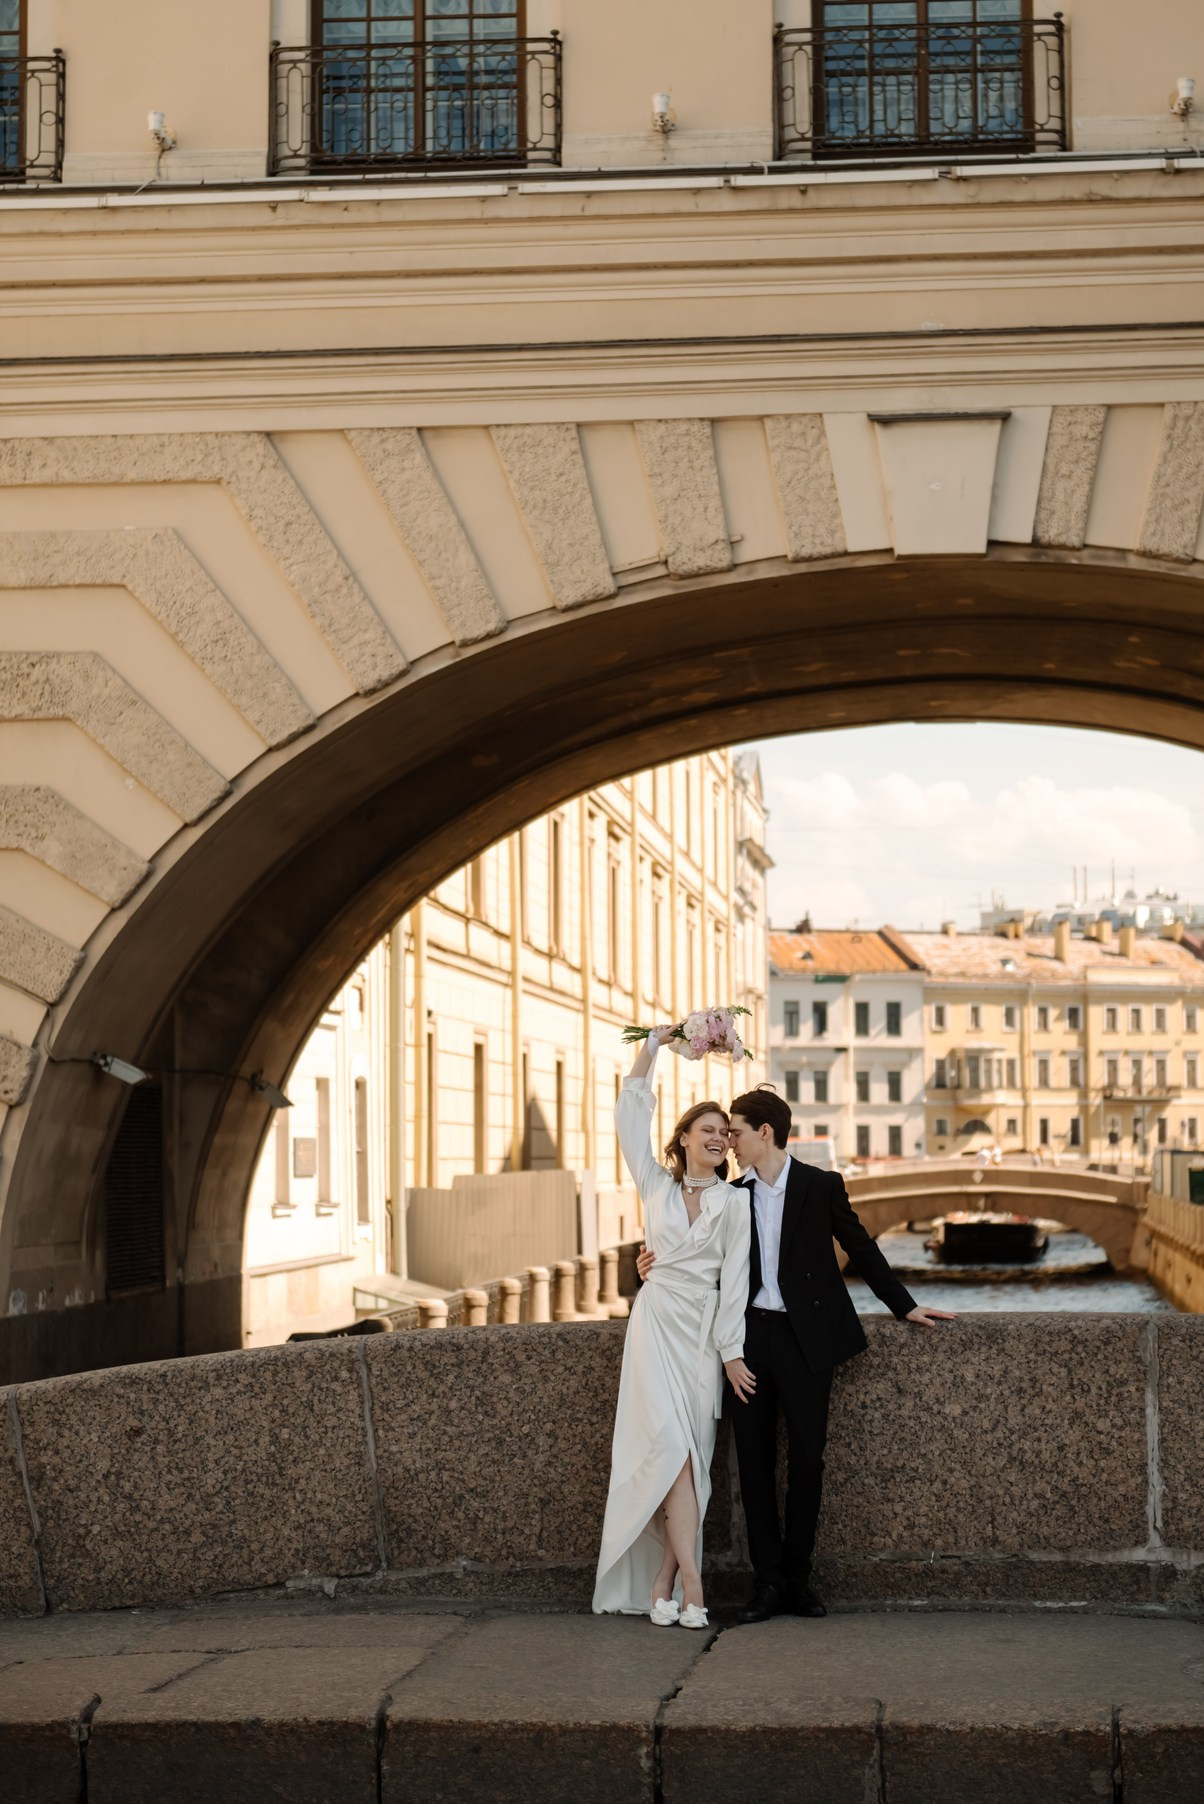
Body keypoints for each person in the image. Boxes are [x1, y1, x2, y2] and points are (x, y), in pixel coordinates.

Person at [639, 1083, 955, 1623]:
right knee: (755, 1467)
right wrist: (643, 1268)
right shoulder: (730, 1194)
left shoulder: (820, 1185)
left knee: (808, 1461)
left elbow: (861, 1246)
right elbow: (688, 1256)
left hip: (809, 1341)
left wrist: (904, 1306)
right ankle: (767, 1585)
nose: (728, 1142)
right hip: (747, 1342)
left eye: (735, 1132)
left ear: (765, 1133)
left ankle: (799, 1582)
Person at [592, 1027, 753, 1628]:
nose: (717, 1137)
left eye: (723, 1133)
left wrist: (732, 1353)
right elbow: (631, 1110)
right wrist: (654, 1045)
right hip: (655, 1324)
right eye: (706, 1130)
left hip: (701, 1336)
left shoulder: (733, 1204)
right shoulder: (654, 1186)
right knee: (668, 1450)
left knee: (690, 1457)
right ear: (682, 1138)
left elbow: (734, 1285)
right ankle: (694, 1586)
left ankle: (663, 1579)